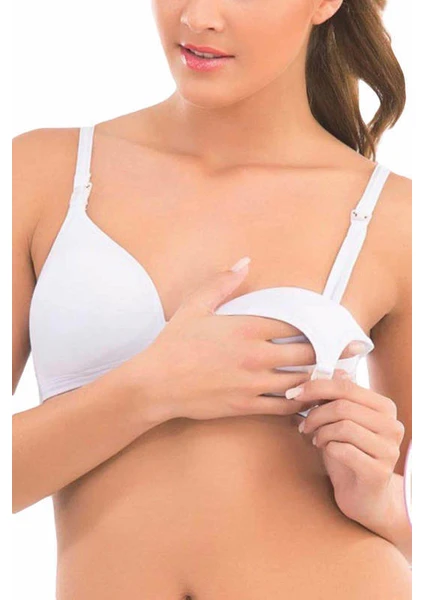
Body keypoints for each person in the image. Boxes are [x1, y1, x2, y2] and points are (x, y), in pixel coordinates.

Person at [12, 0, 412, 598]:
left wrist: (382, 501)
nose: (198, 16)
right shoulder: (44, 172)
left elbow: (408, 527)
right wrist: (151, 388)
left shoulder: (394, 216)